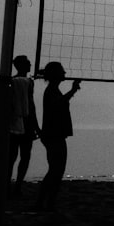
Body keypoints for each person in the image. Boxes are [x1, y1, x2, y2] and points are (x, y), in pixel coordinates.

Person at [35, 61, 80, 212]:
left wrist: (72, 91)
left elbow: (59, 103)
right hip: (53, 135)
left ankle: (46, 203)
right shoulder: (51, 91)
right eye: (62, 71)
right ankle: (45, 203)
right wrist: (73, 90)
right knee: (56, 170)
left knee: (56, 170)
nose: (65, 73)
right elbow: (58, 104)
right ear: (56, 74)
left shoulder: (53, 90)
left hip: (55, 135)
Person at [8, 54, 40, 197]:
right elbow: (30, 104)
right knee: (13, 157)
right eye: (27, 63)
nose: (30, 64)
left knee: (23, 156)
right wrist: (36, 126)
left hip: (24, 122)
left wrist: (36, 126)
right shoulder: (15, 81)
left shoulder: (24, 81)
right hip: (18, 122)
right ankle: (11, 185)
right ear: (20, 65)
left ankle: (17, 185)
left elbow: (31, 104)